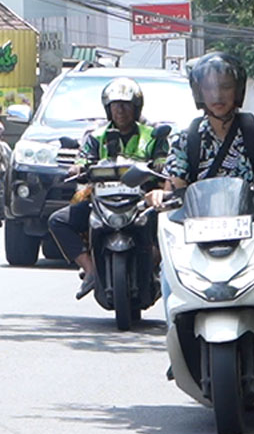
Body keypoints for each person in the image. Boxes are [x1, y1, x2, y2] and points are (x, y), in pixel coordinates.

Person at [144, 51, 254, 329]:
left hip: (251, 231)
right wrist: (161, 195)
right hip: (198, 232)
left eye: (225, 86)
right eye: (210, 87)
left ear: (237, 91)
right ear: (199, 92)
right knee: (168, 274)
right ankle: (177, 339)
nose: (218, 94)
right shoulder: (187, 137)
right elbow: (175, 184)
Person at [49, 77, 168, 299]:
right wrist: (77, 167)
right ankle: (91, 269)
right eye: (115, 105)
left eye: (125, 105)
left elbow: (163, 157)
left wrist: (161, 162)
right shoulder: (95, 136)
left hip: (142, 200)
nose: (120, 110)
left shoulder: (152, 135)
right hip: (102, 199)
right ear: (108, 108)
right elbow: (83, 159)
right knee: (58, 220)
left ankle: (158, 267)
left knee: (170, 227)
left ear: (136, 108)